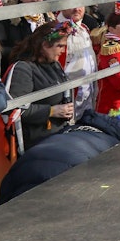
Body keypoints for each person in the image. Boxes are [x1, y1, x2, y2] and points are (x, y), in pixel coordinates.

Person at [5, 23, 75, 151]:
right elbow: (15, 110)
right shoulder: (23, 69)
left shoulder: (54, 64)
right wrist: (52, 111)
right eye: (59, 46)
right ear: (44, 45)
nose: (63, 51)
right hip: (35, 143)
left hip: (57, 136)